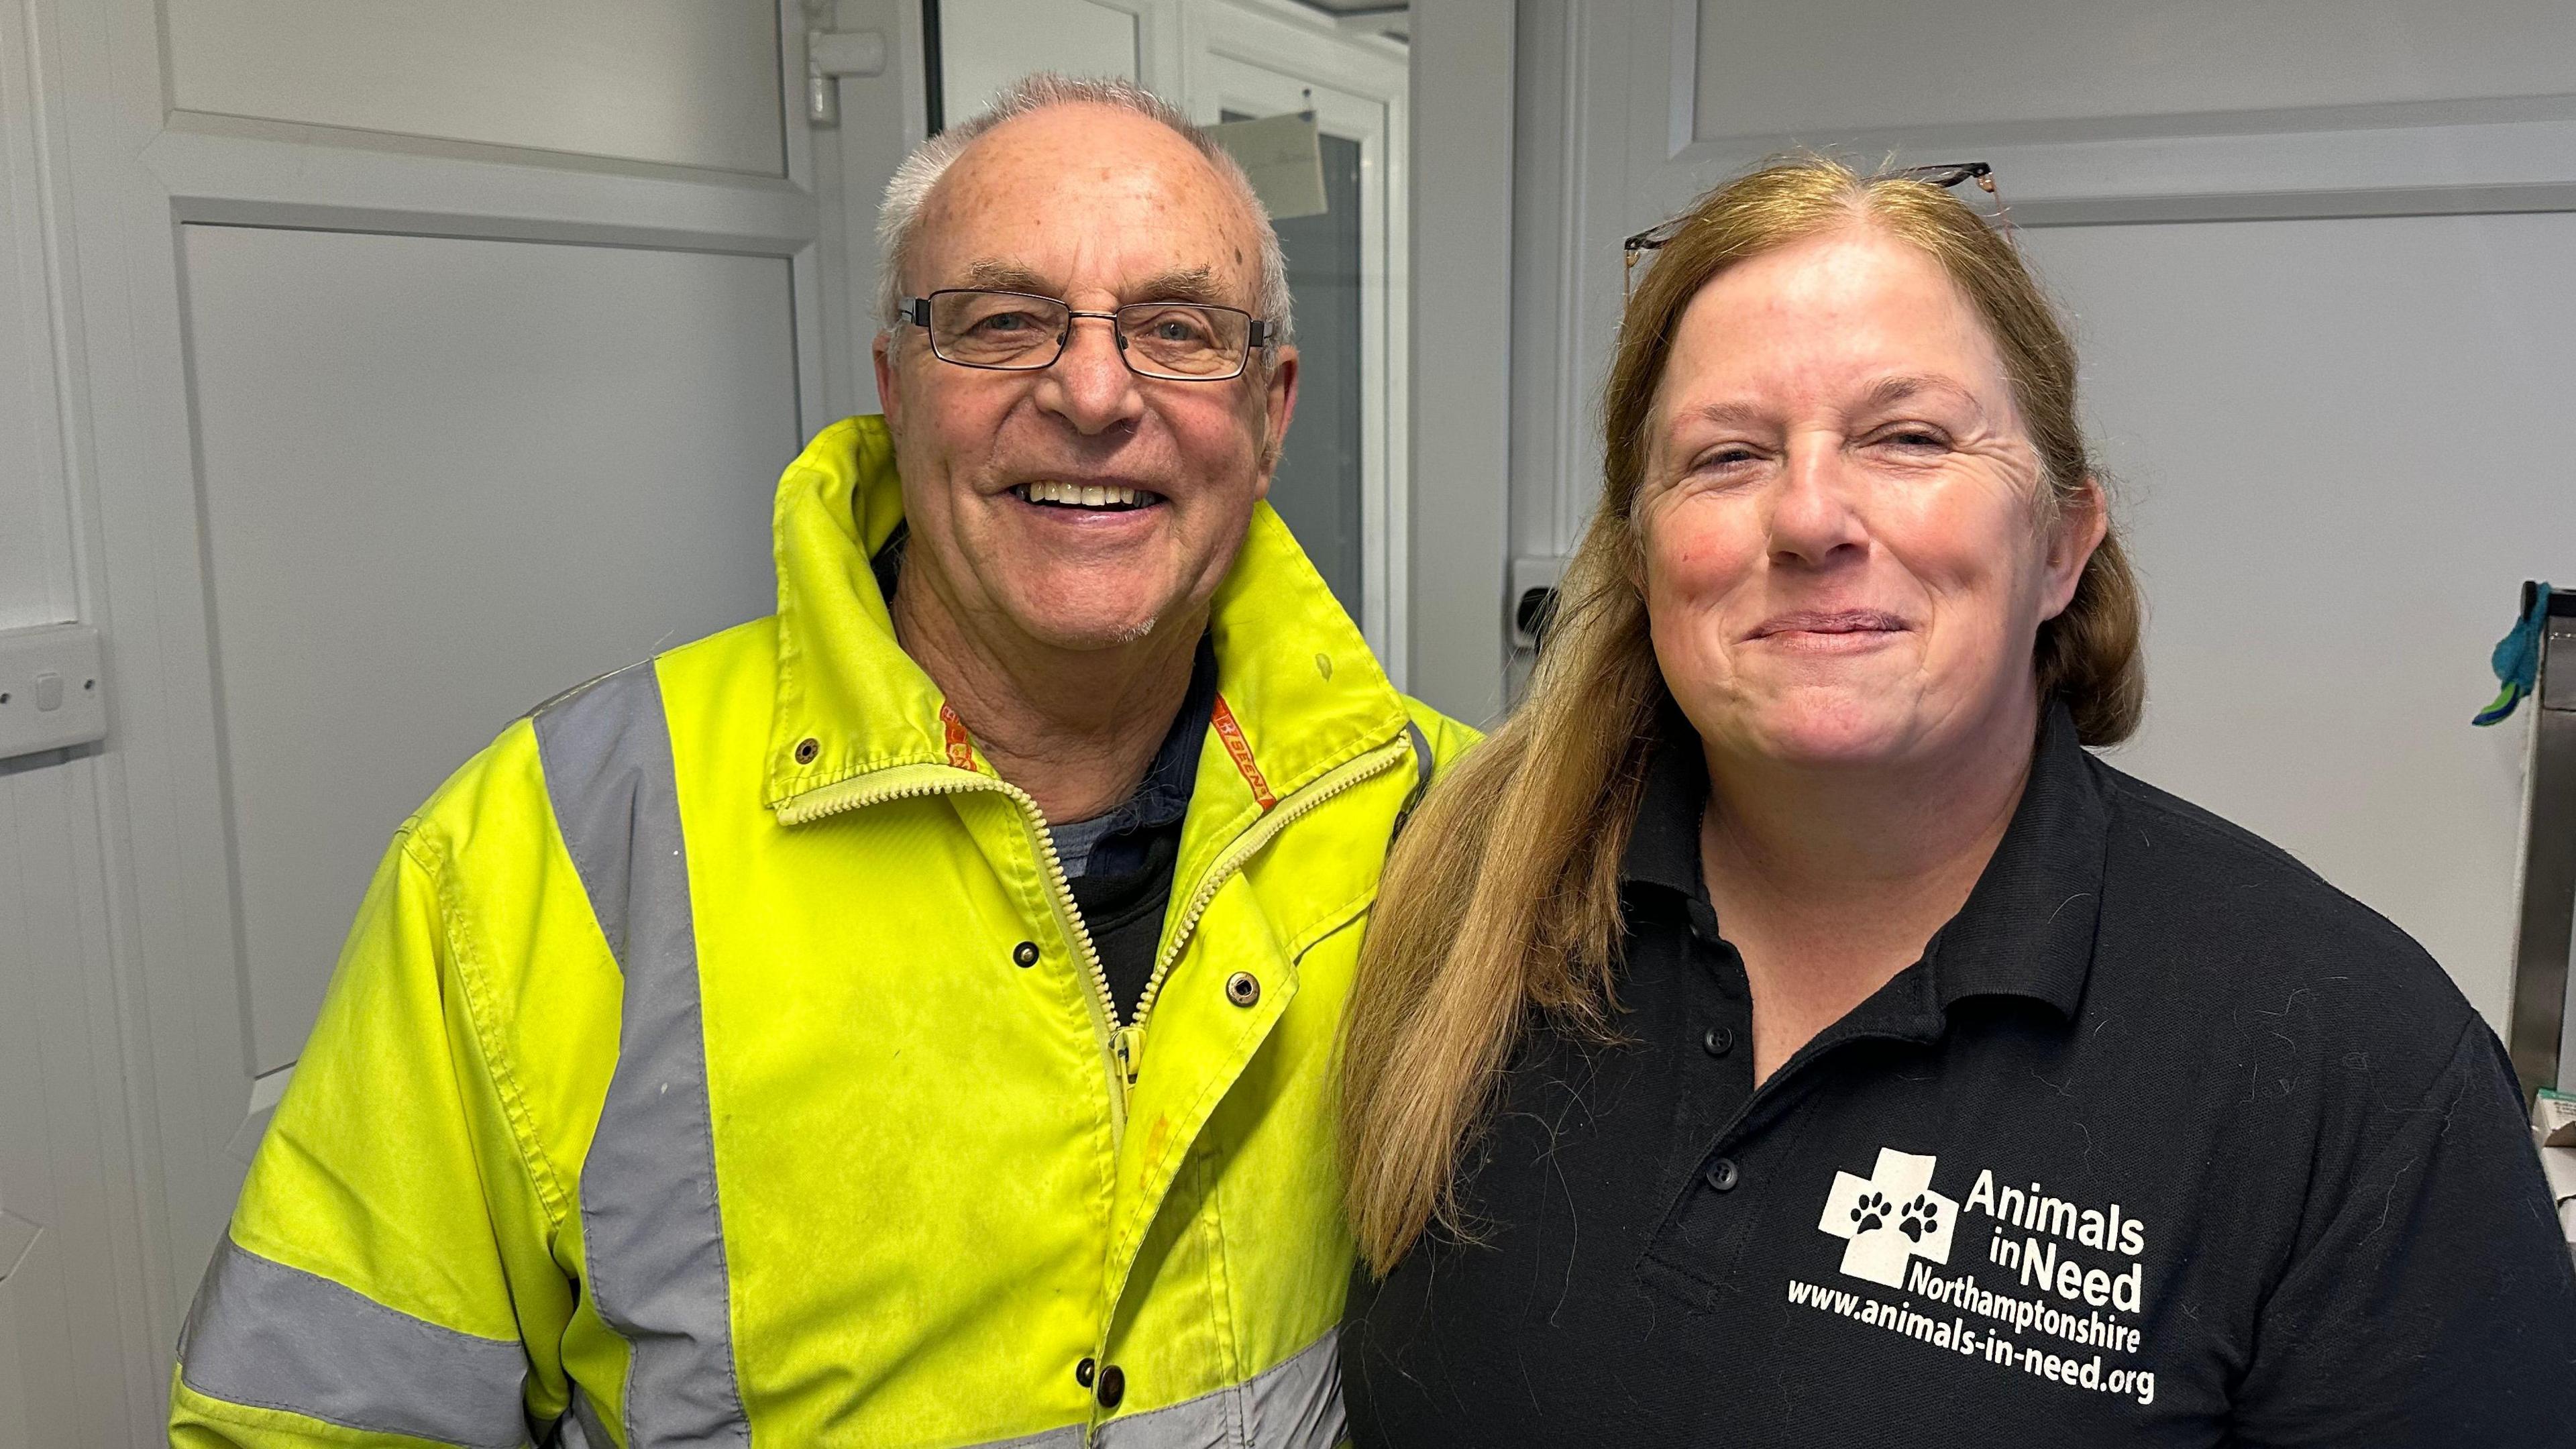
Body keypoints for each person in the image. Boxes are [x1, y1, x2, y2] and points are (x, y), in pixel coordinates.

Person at [170, 74, 1470, 1448]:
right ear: (895, 387)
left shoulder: (1450, 826)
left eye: (1177, 328)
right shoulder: (554, 845)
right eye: (1004, 320)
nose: (1093, 392)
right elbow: (313, 1417)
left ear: (1270, 412)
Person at [1336, 157, 2576, 1446]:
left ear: (2060, 545)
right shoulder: (1463, 908)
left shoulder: (2353, 1066)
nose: (1811, 516)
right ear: (1645, 553)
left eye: (1910, 437)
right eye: (1729, 454)